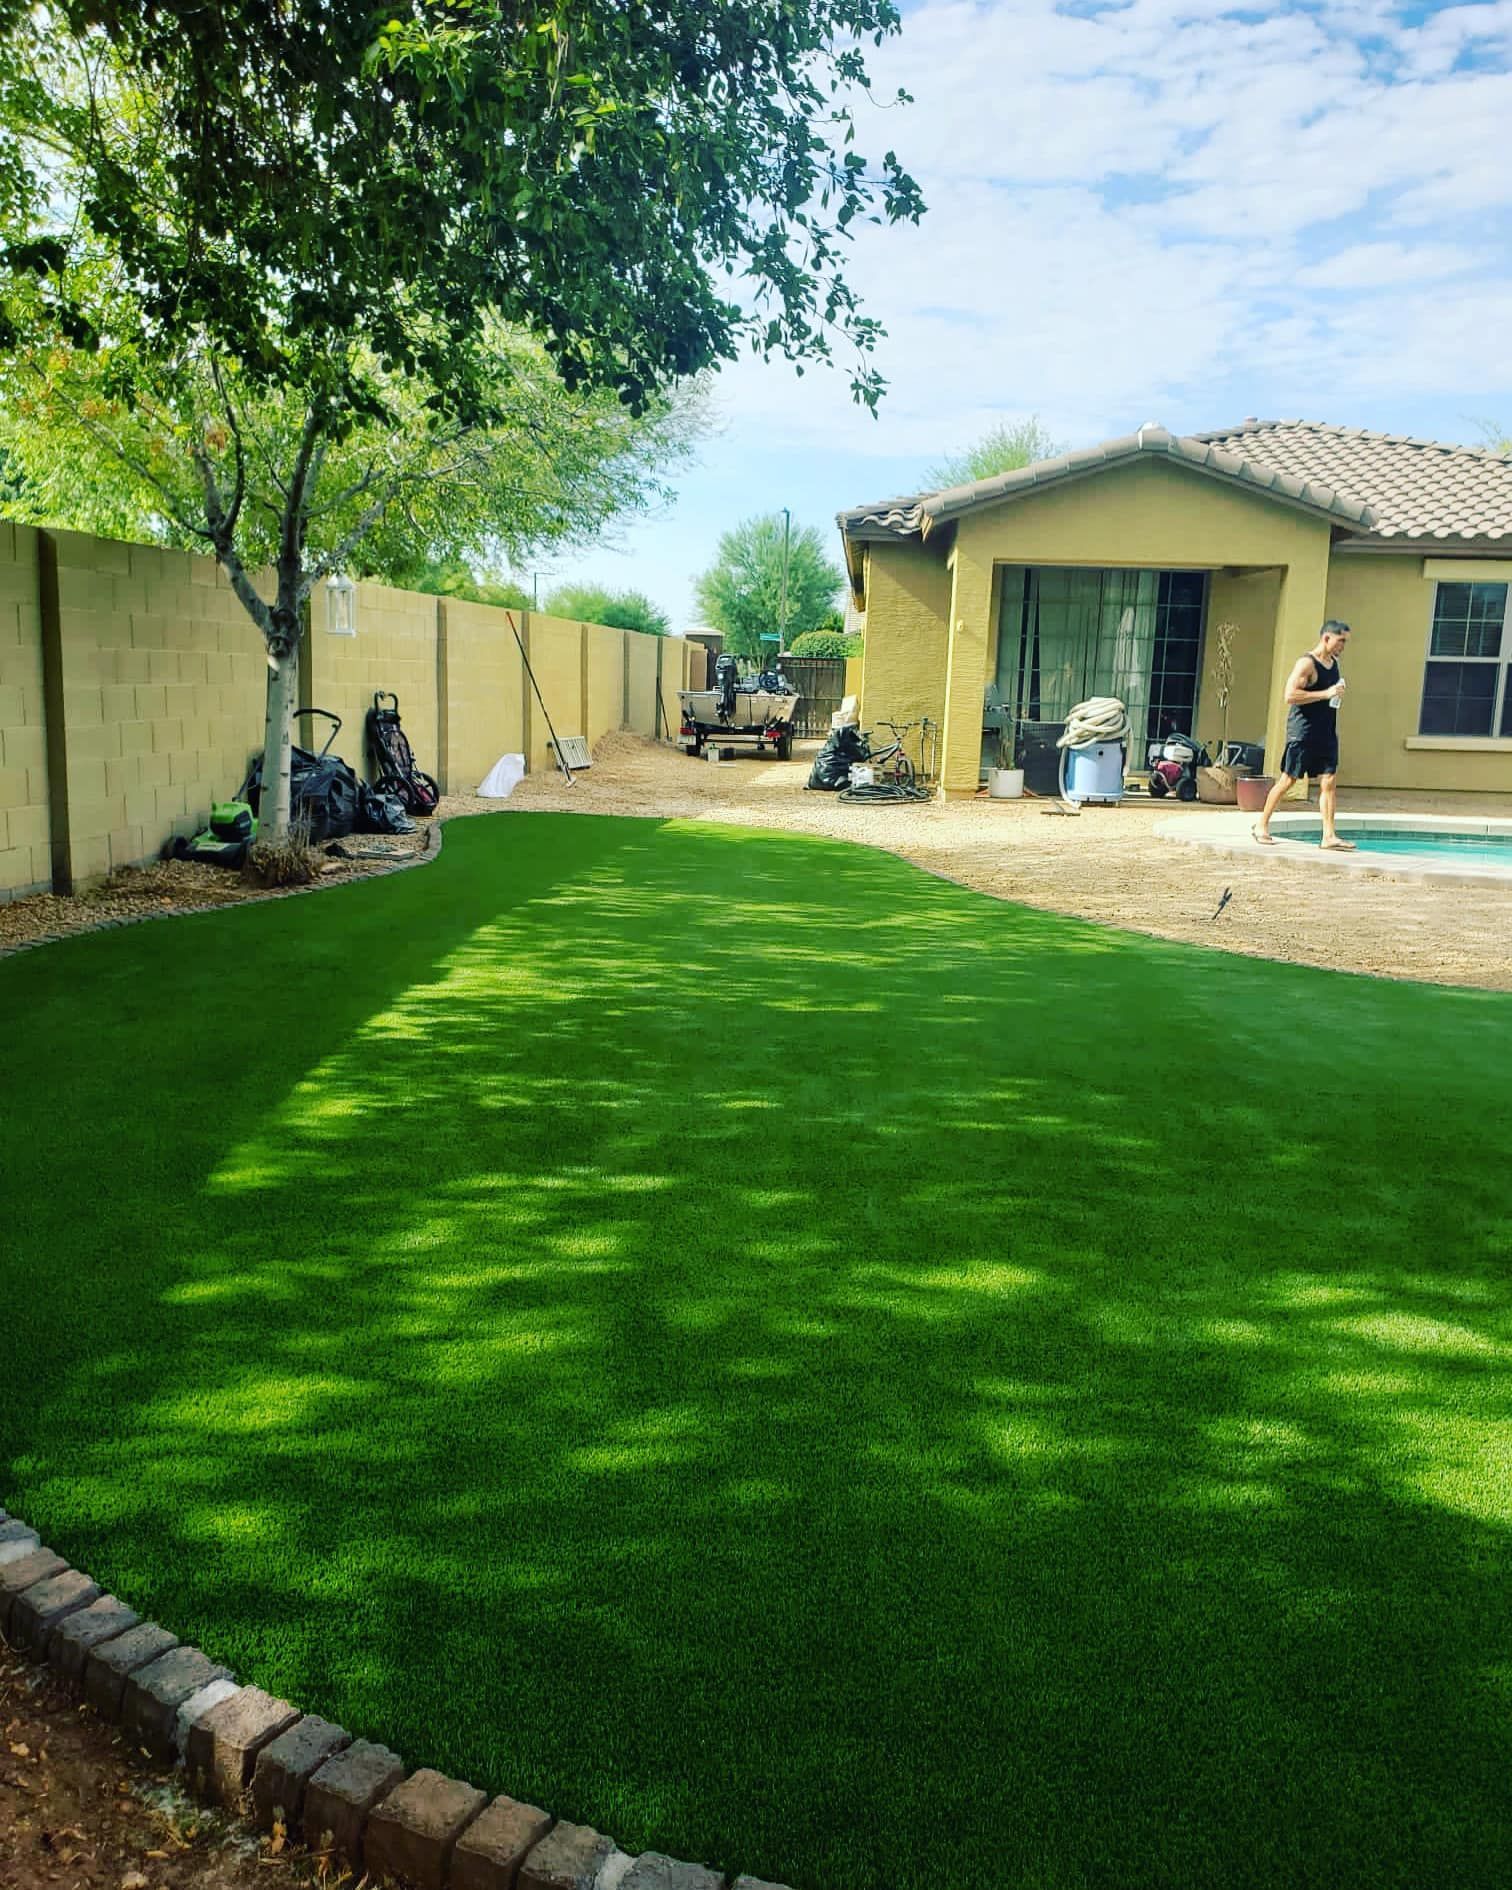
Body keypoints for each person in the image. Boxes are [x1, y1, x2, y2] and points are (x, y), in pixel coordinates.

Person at [1253, 619, 1354, 849]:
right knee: (1289, 780)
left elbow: (1329, 693)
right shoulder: (1307, 664)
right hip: (1303, 732)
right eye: (1340, 641)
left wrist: (1335, 693)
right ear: (1326, 638)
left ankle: (1328, 836)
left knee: (1329, 781)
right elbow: (1290, 695)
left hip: (1326, 731)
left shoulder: (1333, 662)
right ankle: (1262, 825)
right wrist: (1326, 693)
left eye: (1345, 642)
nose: (1342, 647)